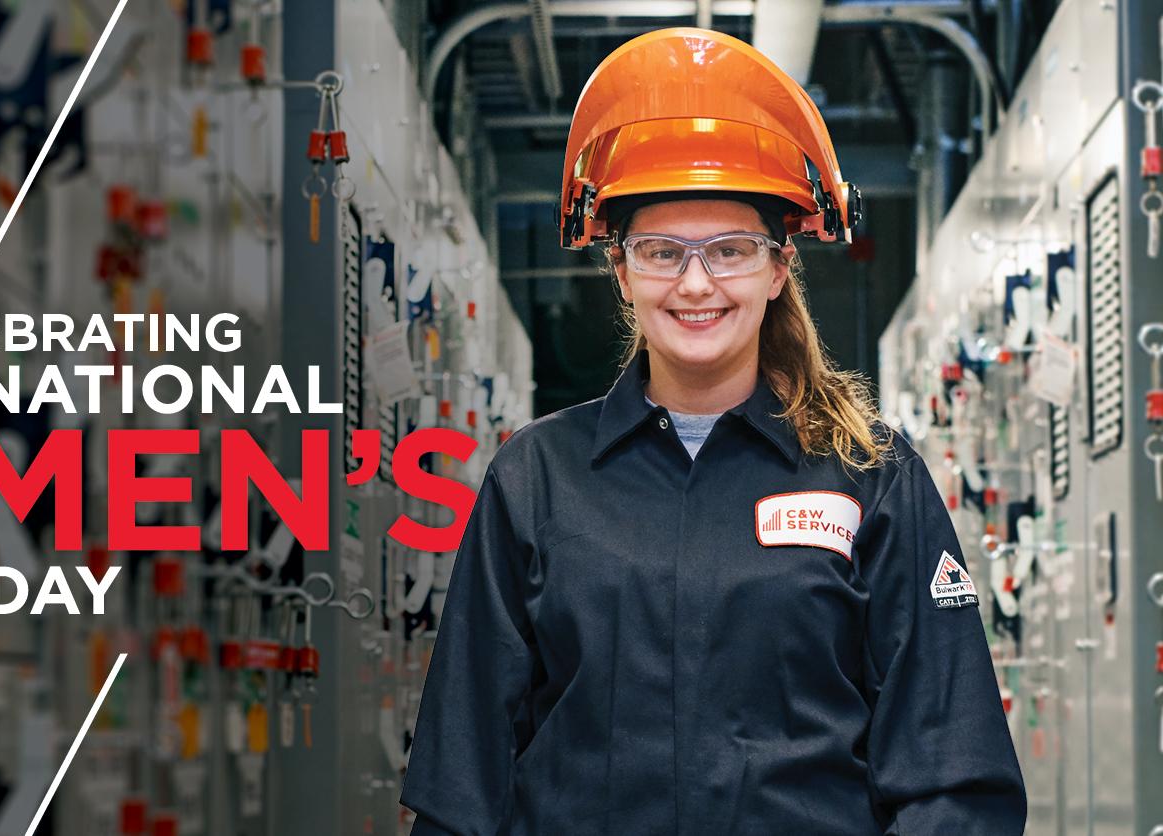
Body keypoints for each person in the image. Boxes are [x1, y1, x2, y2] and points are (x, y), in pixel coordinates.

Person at [398, 28, 1026, 835]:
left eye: (730, 250)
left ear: (777, 268)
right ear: (621, 270)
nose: (697, 283)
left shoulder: (869, 478)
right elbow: (462, 786)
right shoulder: (535, 480)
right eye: (662, 251)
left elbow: (956, 783)